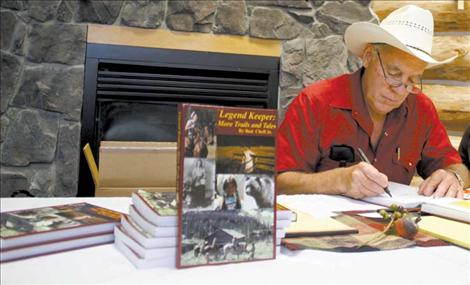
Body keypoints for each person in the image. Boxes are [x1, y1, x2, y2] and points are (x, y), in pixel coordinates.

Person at [277, 5, 469, 199]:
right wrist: (338, 181)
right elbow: (278, 181)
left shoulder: (420, 108)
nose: (400, 90)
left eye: (412, 80)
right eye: (393, 75)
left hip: (392, 226)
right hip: (321, 226)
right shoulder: (316, 101)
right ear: (368, 57)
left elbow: (457, 167)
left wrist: (454, 177)